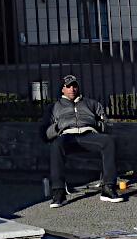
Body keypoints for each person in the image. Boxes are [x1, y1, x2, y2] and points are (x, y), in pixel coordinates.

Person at [40, 75, 123, 207]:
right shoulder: (54, 107)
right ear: (62, 89)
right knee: (56, 145)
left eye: (74, 86)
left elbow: (107, 124)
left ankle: (108, 187)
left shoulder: (91, 103)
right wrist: (57, 127)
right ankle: (59, 192)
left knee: (108, 141)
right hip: (67, 136)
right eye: (68, 86)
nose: (72, 89)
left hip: (89, 134)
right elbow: (44, 133)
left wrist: (98, 125)